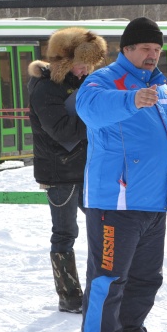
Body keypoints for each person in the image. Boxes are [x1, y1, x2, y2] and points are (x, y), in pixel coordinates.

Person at [75, 17, 167, 332]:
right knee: (108, 278)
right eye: (145, 48)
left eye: (157, 50)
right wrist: (131, 100)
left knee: (147, 278)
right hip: (115, 203)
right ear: (126, 49)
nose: (152, 55)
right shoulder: (103, 81)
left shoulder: (165, 91)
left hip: (155, 203)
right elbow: (89, 108)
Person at [28, 27, 107, 313]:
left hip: (87, 167)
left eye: (89, 63)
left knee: (104, 224)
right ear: (63, 60)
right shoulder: (45, 87)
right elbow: (64, 132)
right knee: (65, 232)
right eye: (80, 62)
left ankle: (100, 286)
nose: (86, 69)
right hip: (60, 172)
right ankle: (69, 295)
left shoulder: (82, 81)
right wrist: (98, 116)